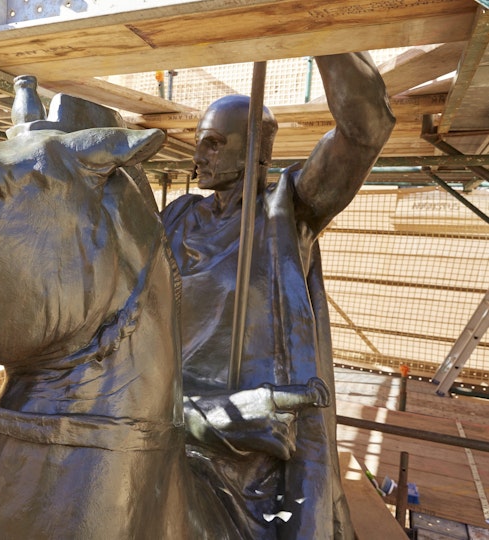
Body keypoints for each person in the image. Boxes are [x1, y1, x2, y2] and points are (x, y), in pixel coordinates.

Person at [162, 52, 395, 539]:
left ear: (254, 152)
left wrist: (322, 31)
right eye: (197, 143)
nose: (196, 156)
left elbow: (362, 130)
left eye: (212, 143)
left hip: (254, 438)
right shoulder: (179, 215)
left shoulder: (289, 212)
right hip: (174, 415)